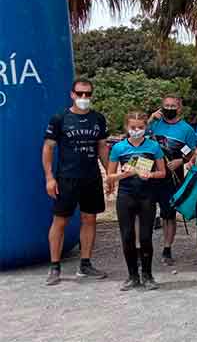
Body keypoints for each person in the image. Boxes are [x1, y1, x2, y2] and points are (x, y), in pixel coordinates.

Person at [42, 78, 110, 285]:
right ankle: (55, 267)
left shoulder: (98, 118)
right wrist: (49, 178)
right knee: (60, 221)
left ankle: (85, 264)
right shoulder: (60, 118)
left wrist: (110, 174)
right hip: (66, 178)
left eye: (87, 94)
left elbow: (103, 148)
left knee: (89, 219)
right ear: (72, 94)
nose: (83, 98)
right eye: (79, 94)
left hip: (91, 178)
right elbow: (48, 148)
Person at [107, 111, 167, 291]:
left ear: (145, 128)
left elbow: (162, 172)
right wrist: (122, 174)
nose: (136, 131)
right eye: (133, 128)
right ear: (127, 127)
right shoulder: (119, 148)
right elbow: (110, 176)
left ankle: (147, 275)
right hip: (126, 195)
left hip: (147, 196)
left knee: (145, 237)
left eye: (140, 128)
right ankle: (132, 275)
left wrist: (151, 174)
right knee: (127, 236)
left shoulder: (153, 146)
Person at [147, 94, 197, 266]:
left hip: (172, 178)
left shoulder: (187, 130)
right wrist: (149, 120)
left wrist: (180, 161)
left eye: (172, 106)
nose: (169, 109)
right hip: (151, 176)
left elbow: (191, 154)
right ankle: (143, 249)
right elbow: (136, 137)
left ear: (179, 108)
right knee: (145, 213)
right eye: (166, 105)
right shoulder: (154, 125)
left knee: (168, 215)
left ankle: (167, 249)